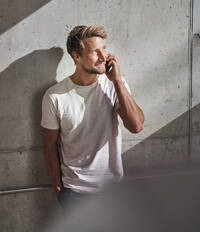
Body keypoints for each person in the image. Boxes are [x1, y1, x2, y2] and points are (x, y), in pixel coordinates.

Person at [41, 25, 144, 211]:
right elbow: (49, 146)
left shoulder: (114, 85)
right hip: (75, 194)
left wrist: (118, 81)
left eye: (104, 48)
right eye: (95, 52)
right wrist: (59, 190)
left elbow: (136, 125)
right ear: (76, 56)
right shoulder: (55, 96)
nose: (104, 57)